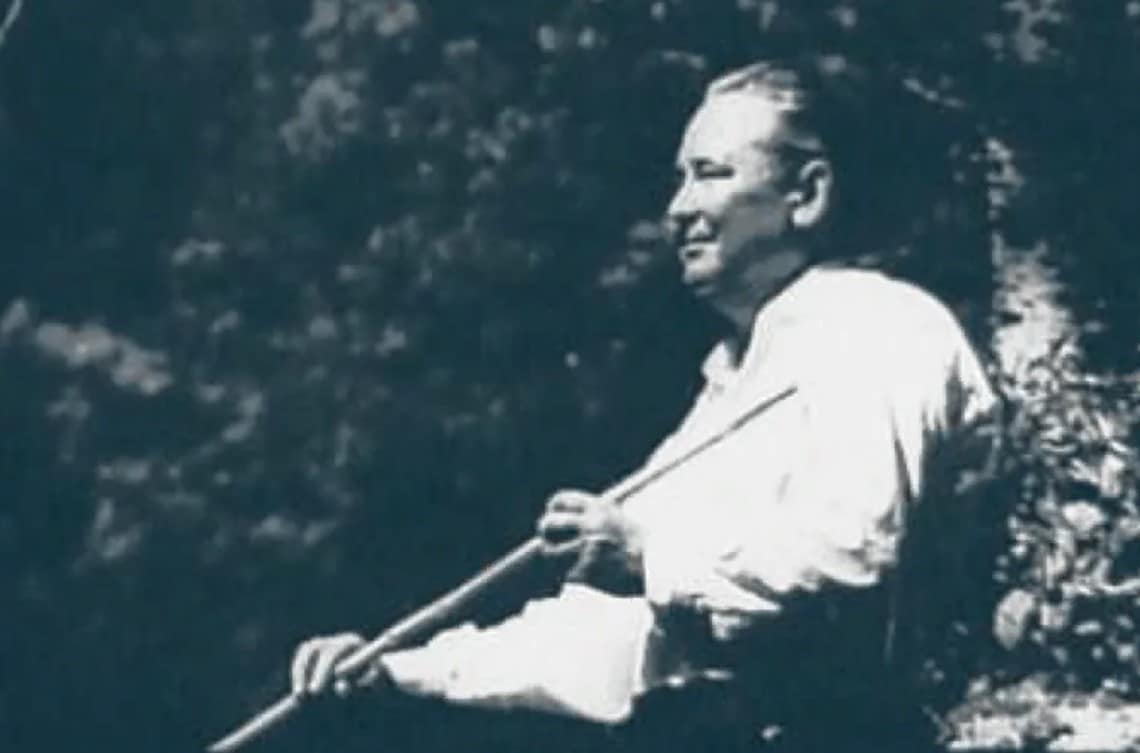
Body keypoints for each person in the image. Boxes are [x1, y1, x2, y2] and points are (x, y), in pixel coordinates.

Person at [288, 57, 1000, 753]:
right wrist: (394, 670)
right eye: (679, 178)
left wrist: (643, 551)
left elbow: (852, 560)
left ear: (807, 194)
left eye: (711, 174)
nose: (677, 209)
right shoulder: (734, 381)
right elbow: (609, 637)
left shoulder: (875, 327)